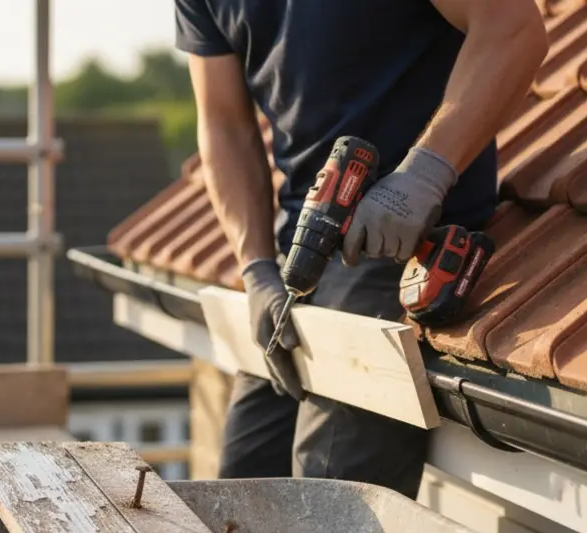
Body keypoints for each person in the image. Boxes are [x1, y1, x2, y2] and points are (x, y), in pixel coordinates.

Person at [175, 0, 547, 499]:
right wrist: (256, 266)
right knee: (238, 494)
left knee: (328, 502)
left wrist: (425, 173)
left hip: (406, 242)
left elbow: (513, 29)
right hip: (303, 244)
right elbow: (223, 123)